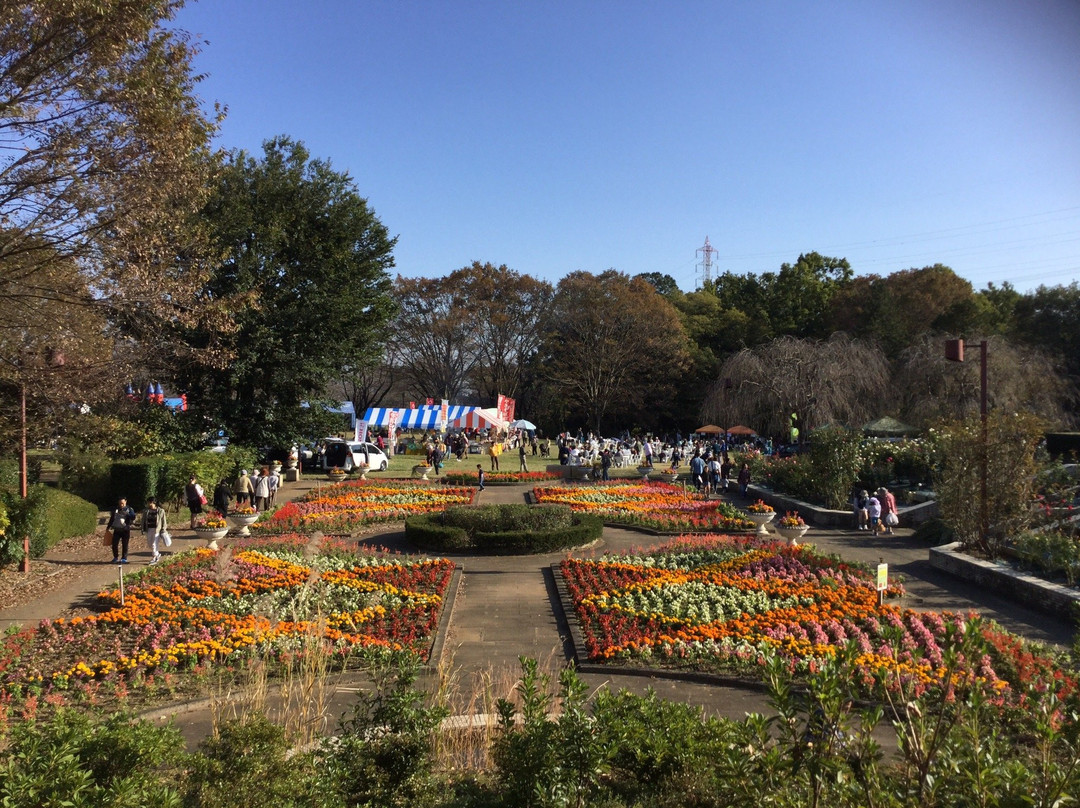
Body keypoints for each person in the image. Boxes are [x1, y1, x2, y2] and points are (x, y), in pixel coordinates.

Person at [107, 497, 135, 564]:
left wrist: (127, 514)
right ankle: (115, 557)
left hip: (125, 530)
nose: (121, 505)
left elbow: (133, 517)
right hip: (117, 529)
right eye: (120, 503)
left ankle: (124, 558)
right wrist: (108, 527)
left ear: (125, 502)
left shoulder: (129, 509)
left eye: (122, 503)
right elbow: (112, 518)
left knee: (125, 544)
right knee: (114, 544)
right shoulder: (116, 509)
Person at [141, 497, 168, 565]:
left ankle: (154, 557)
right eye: (148, 502)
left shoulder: (160, 511)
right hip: (149, 529)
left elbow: (164, 521)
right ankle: (157, 554)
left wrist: (163, 529)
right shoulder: (146, 511)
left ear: (153, 503)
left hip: (157, 530)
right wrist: (142, 528)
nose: (149, 504)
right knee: (150, 544)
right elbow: (143, 520)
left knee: (154, 544)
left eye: (150, 502)